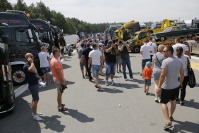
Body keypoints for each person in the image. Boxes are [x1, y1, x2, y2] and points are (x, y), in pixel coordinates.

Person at [156, 46, 184, 130]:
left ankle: (168, 121)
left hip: (166, 87)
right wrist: (181, 83)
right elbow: (182, 74)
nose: (163, 53)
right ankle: (171, 116)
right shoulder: (179, 61)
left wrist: (158, 86)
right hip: (175, 86)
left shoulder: (165, 61)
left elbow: (162, 75)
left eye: (164, 51)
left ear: (169, 51)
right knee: (173, 100)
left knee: (163, 103)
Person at [23, 53, 43, 121]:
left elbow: (34, 72)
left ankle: (34, 112)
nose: (32, 57)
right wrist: (31, 62)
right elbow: (31, 69)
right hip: (32, 85)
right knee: (36, 100)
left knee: (34, 99)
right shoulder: (26, 65)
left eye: (32, 56)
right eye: (31, 56)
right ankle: (35, 115)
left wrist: (38, 77)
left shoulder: (30, 64)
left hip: (35, 83)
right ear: (27, 58)